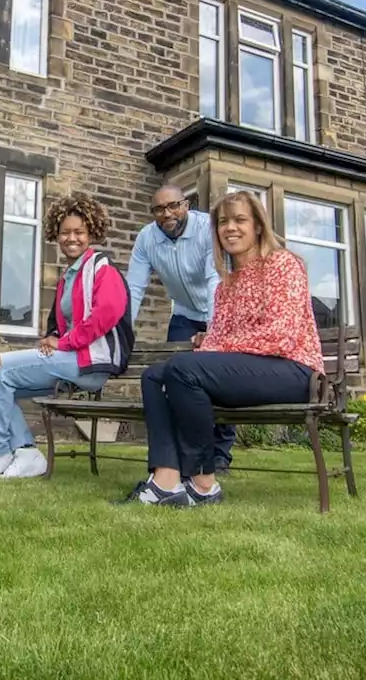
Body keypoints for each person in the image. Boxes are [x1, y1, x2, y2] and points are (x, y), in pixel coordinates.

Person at [122, 189, 323, 506]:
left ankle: (203, 485)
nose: (230, 228)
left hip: (295, 371)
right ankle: (166, 480)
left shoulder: (283, 264)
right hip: (254, 369)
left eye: (240, 220)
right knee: (153, 376)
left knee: (183, 368)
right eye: (223, 222)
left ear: (257, 225)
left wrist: (217, 346)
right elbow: (215, 340)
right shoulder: (227, 283)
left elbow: (280, 337)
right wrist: (214, 346)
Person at [0, 193, 135, 479]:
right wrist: (52, 338)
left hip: (91, 362)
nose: (72, 238)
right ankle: (26, 452)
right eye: (65, 232)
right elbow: (59, 325)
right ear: (55, 235)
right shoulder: (68, 276)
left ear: (91, 232)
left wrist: (64, 342)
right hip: (71, 358)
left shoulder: (103, 269)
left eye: (79, 232)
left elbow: (106, 313)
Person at [125, 184, 237, 474]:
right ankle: (184, 453)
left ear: (186, 205)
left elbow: (215, 279)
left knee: (221, 380)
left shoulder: (205, 229)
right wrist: (122, 332)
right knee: (176, 379)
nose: (167, 213)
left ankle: (221, 453)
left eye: (174, 205)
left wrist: (213, 331)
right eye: (159, 209)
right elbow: (134, 288)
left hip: (221, 311)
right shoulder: (146, 239)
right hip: (184, 314)